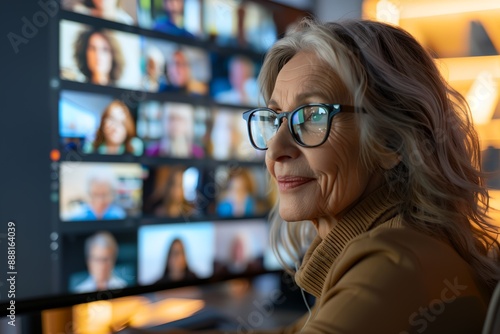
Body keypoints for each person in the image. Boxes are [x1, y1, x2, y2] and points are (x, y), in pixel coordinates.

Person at [120, 18, 500, 334]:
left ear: (391, 141)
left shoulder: (394, 264)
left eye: (314, 116)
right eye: (275, 119)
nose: (275, 149)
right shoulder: (403, 245)